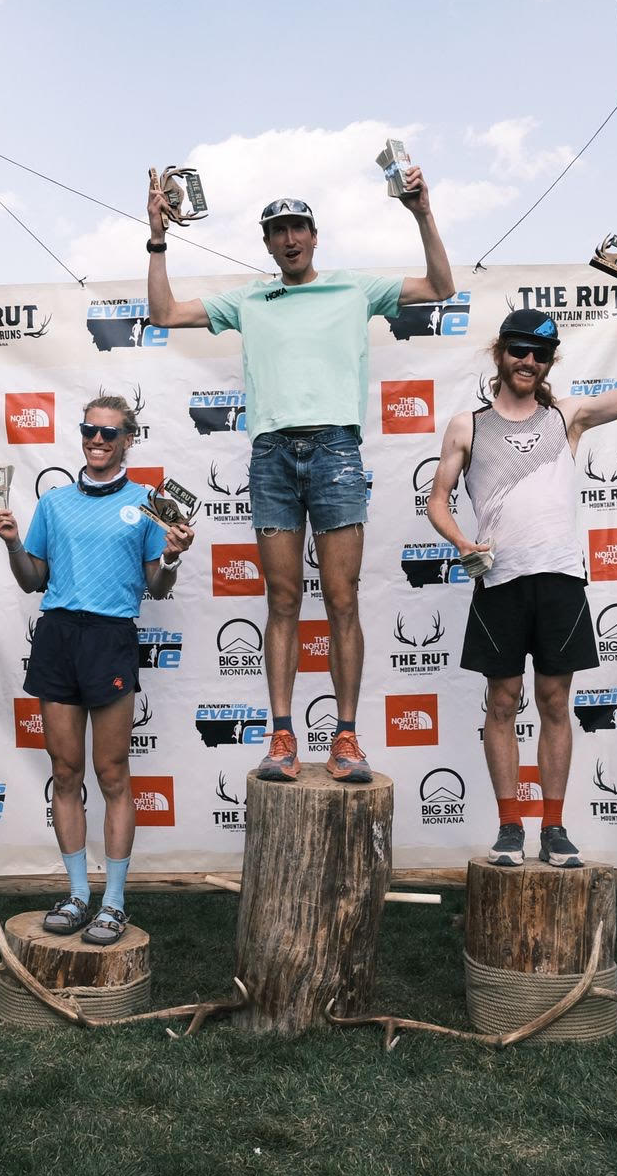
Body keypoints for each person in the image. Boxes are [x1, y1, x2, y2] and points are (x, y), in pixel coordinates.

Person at [146, 170, 454, 784]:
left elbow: (442, 286)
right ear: (267, 243)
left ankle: (345, 737)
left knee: (343, 600)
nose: (288, 239)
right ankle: (281, 735)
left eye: (297, 228)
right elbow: (163, 312)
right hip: (272, 455)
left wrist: (421, 212)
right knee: (282, 600)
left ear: (314, 236)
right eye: (277, 231)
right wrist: (157, 237)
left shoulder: (354, 287)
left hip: (337, 449)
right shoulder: (249, 298)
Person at [426, 272, 617, 869]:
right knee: (501, 703)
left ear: (549, 361)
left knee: (556, 703)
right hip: (499, 582)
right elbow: (437, 499)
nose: (528, 360)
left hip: (560, 578)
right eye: (518, 349)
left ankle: (554, 828)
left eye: (540, 353)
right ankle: (511, 827)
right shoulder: (467, 425)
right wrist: (462, 541)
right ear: (500, 354)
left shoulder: (568, 416)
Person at [0, 396, 194, 945]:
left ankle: (115, 902)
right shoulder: (54, 503)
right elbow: (32, 580)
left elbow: (156, 586)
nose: (97, 441)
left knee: (113, 774)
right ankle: (79, 894)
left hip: (110, 637)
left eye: (110, 433)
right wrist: (11, 541)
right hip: (58, 635)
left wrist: (172, 558)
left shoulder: (151, 505)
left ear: (129, 438)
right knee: (66, 772)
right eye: (89, 431)